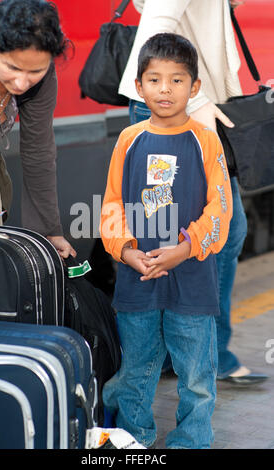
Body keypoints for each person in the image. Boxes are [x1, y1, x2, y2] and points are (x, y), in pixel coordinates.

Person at [119, 0, 268, 384]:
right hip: (176, 110)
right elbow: (153, 25)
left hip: (193, 107)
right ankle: (189, 355)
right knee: (191, 233)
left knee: (212, 233)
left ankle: (193, 352)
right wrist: (196, 100)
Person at [100, 32, 232, 449]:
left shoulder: (206, 140)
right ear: (138, 87)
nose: (165, 89)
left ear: (195, 87)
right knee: (135, 368)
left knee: (196, 373)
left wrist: (185, 248)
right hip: (136, 277)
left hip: (192, 279)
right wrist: (125, 250)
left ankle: (191, 441)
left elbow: (220, 209)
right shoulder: (129, 139)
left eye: (177, 80)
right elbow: (112, 205)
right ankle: (133, 439)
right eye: (155, 79)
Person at [0, 0, 76, 259]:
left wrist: (48, 234)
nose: (22, 82)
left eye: (35, 71)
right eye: (12, 68)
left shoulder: (41, 80)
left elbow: (38, 152)